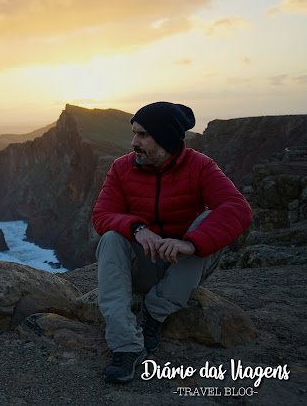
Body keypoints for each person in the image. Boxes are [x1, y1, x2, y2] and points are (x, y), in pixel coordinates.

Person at [91, 101, 252, 384]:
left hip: (183, 266)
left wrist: (190, 244)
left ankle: (153, 314)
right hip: (143, 264)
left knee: (210, 220)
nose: (133, 142)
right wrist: (138, 228)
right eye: (133, 133)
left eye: (142, 135)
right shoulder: (121, 168)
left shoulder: (200, 166)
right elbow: (102, 215)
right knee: (112, 238)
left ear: (165, 138)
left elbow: (238, 209)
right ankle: (125, 346)